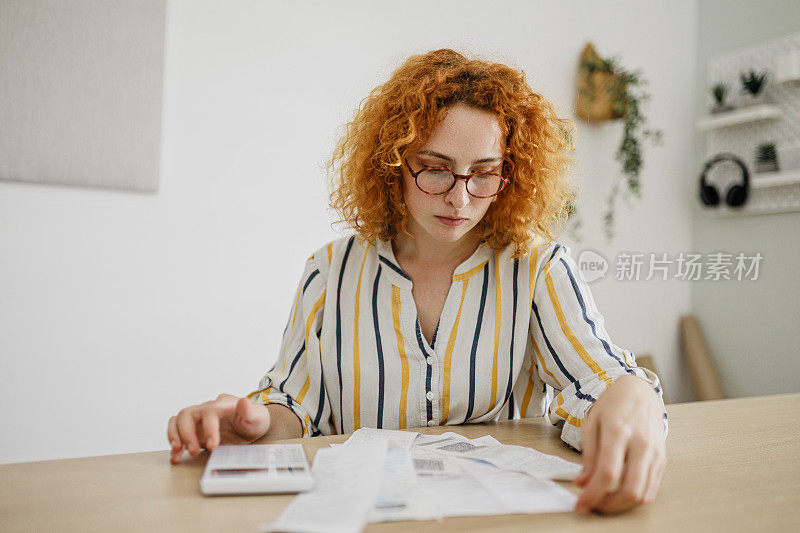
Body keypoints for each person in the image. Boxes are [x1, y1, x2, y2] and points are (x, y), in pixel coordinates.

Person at [167, 48, 668, 515]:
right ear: (393, 164)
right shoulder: (330, 271)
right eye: (435, 170)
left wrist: (631, 397)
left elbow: (597, 378)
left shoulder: (537, 267)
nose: (460, 199)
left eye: (485, 174)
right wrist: (253, 423)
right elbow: (295, 403)